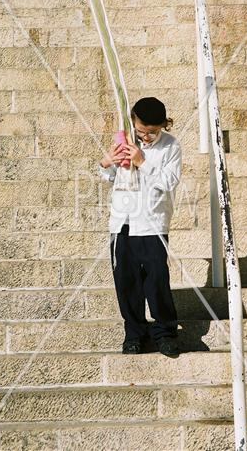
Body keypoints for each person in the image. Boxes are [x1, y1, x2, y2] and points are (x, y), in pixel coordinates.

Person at [99, 97, 182, 357]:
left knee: (157, 279)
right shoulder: (127, 141)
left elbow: (169, 182)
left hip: (152, 223)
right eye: (141, 130)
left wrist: (143, 161)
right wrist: (107, 163)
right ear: (133, 122)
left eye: (152, 132)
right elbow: (110, 178)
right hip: (122, 222)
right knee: (127, 281)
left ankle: (165, 332)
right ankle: (134, 333)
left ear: (163, 126)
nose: (145, 136)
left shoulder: (171, 146)